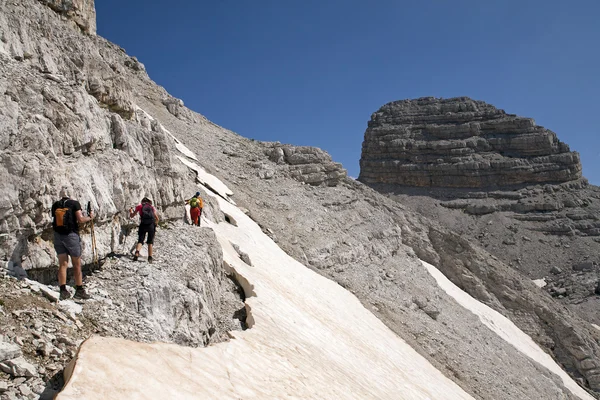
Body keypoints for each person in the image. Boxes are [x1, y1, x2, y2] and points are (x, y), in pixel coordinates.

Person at [51, 188, 93, 301]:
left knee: (63, 263)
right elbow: (80, 219)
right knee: (76, 264)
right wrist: (90, 217)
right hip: (71, 235)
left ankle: (63, 290)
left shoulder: (56, 205)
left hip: (58, 236)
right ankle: (79, 289)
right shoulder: (74, 204)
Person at [129, 197, 159, 263]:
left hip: (143, 225)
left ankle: (136, 254)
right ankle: (150, 258)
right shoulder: (151, 207)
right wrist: (155, 224)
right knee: (150, 242)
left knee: (140, 240)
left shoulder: (139, 207)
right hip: (151, 225)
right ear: (149, 201)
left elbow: (132, 216)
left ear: (142, 201)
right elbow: (157, 218)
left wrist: (131, 211)